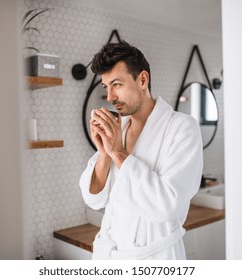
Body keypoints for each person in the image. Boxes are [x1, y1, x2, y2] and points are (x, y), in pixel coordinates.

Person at [79, 41, 203, 260]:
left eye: (117, 84)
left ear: (142, 80)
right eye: (106, 87)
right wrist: (104, 154)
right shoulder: (119, 129)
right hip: (111, 256)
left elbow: (167, 205)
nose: (110, 97)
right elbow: (93, 199)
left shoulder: (182, 128)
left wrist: (117, 153)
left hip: (155, 258)